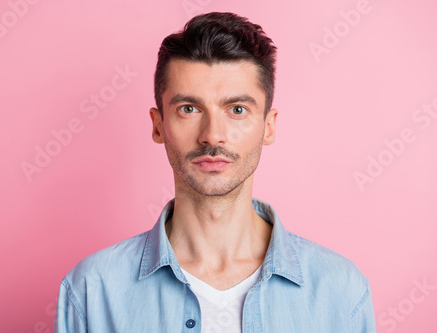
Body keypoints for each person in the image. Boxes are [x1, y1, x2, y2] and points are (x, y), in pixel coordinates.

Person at [54, 11, 377, 333]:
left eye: (237, 110)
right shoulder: (92, 289)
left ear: (267, 127)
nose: (212, 134)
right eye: (189, 109)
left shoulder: (340, 290)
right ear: (158, 125)